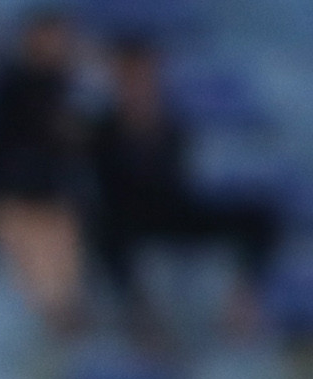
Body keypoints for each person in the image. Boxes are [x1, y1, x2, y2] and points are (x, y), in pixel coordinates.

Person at [88, 39, 282, 345]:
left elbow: (177, 181)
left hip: (171, 210)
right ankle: (140, 317)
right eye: (132, 78)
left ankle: (242, 302)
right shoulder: (101, 130)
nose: (140, 85)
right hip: (128, 218)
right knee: (103, 230)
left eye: (146, 77)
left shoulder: (171, 124)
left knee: (261, 215)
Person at [0, 7, 87, 335]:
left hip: (46, 196)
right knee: (25, 225)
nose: (54, 47)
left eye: (60, 40)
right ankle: (48, 317)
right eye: (47, 39)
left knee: (61, 225)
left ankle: (62, 314)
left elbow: (71, 152)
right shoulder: (8, 88)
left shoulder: (67, 89)